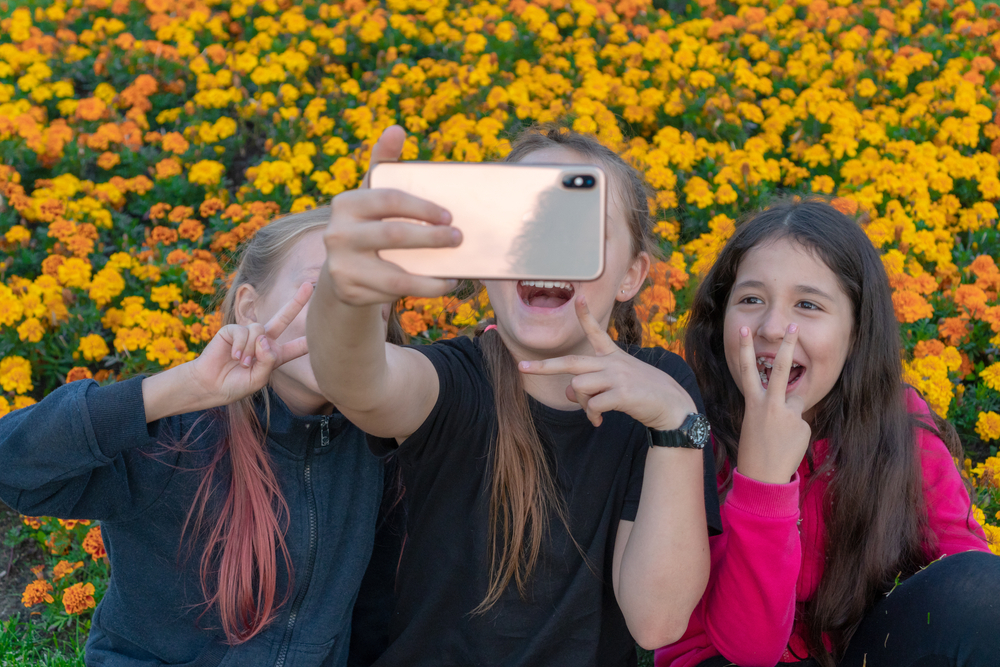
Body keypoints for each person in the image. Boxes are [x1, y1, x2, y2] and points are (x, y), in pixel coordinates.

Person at [307, 124, 723, 667]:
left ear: (631, 275)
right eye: (524, 225)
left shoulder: (662, 389)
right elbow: (355, 379)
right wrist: (344, 289)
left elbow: (657, 619)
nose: (547, 250)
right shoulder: (454, 380)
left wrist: (674, 422)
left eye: (576, 230)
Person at [0, 207, 398, 666]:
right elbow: (13, 470)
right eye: (323, 287)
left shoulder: (379, 446)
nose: (349, 315)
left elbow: (378, 610)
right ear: (250, 306)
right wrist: (182, 388)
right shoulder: (176, 433)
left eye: (371, 300)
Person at [656, 198, 1000, 667]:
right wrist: (764, 481)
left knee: (981, 587)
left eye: (807, 304)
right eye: (751, 299)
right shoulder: (690, 432)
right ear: (721, 321)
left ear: (856, 331)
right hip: (728, 658)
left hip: (852, 655)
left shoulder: (894, 424)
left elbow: (966, 586)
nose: (773, 328)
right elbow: (749, 648)